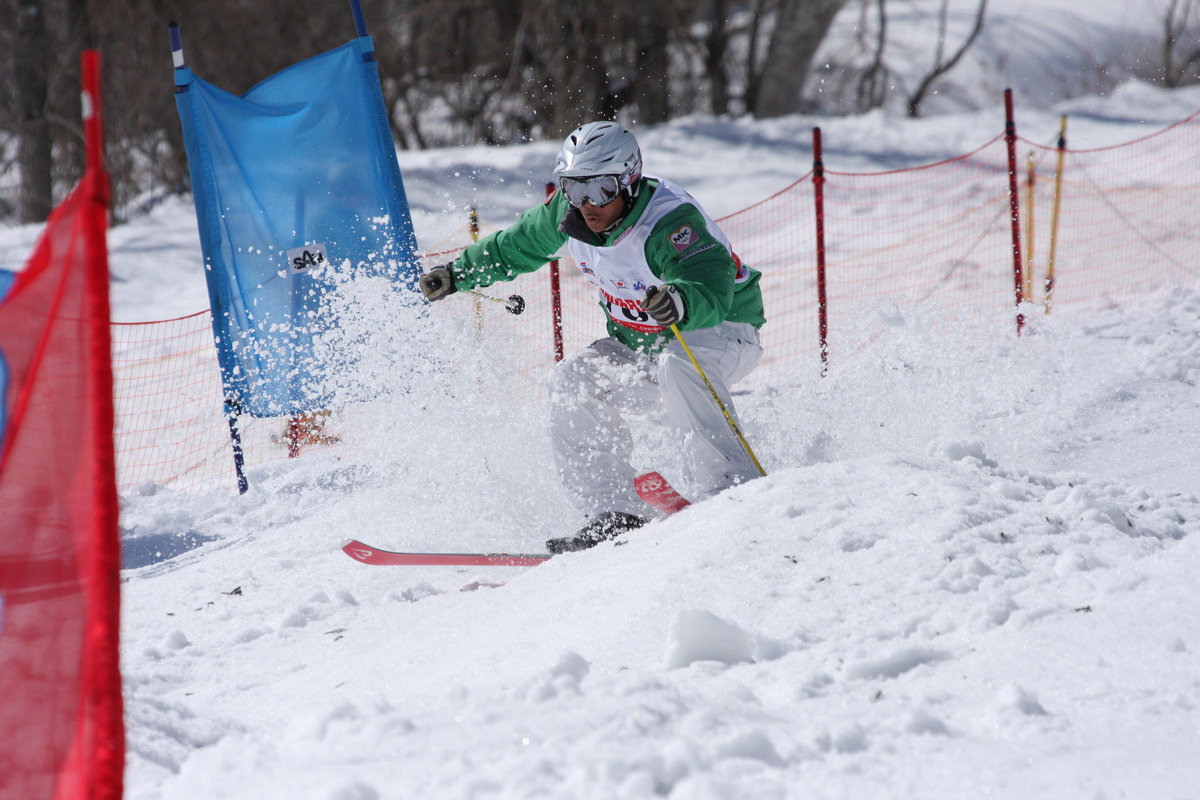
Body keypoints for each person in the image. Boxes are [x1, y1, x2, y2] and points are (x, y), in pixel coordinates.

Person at [419, 121, 765, 553]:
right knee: (572, 382)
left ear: (629, 180)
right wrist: (457, 275)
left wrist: (681, 300)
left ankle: (729, 491)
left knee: (677, 364)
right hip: (642, 344)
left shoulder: (670, 222)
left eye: (600, 189)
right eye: (573, 188)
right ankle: (613, 511)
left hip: (721, 329)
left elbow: (711, 284)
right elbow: (514, 246)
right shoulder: (567, 218)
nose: (586, 204)